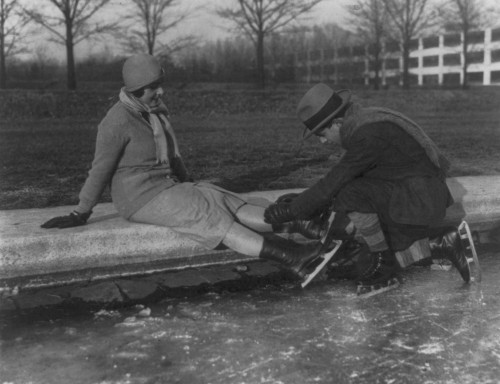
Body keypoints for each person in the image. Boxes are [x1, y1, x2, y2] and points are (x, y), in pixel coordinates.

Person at [41, 53, 324, 280]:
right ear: (138, 91)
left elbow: (173, 156)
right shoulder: (115, 122)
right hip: (139, 198)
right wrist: (80, 211)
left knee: (219, 197)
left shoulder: (153, 113)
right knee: (206, 214)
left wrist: (191, 184)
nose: (161, 91)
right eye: (154, 87)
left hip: (166, 188)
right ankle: (294, 257)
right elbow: (99, 170)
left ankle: (300, 221)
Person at [264, 83, 471, 293]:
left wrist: (295, 209)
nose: (323, 141)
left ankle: (384, 265)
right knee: (361, 259)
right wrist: (305, 200)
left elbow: (337, 179)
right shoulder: (363, 122)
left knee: (351, 195)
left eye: (321, 133)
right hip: (415, 194)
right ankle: (441, 242)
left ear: (336, 123)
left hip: (419, 201)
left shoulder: (368, 134)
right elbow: (343, 178)